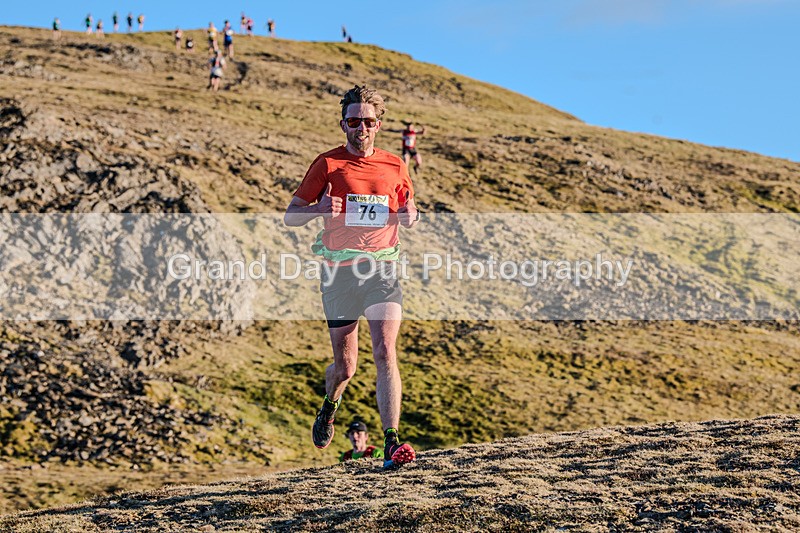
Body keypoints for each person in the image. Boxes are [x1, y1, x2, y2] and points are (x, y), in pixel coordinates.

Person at [284, 85, 419, 470]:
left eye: (368, 121)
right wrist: (319, 207)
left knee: (385, 350)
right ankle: (330, 404)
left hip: (382, 269)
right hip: (339, 273)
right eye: (353, 120)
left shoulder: (395, 164)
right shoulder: (327, 164)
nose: (361, 127)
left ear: (379, 124)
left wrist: (411, 216)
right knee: (346, 367)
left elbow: (409, 208)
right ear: (343, 123)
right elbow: (290, 215)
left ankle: (392, 441)